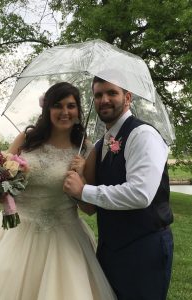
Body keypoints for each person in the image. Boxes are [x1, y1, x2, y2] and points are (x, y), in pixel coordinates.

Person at [0, 82, 117, 300]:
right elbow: (3, 179)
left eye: (71, 106)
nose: (64, 112)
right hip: (17, 231)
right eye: (57, 105)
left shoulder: (86, 150)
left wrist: (80, 180)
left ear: (78, 111)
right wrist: (0, 192)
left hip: (64, 237)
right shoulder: (26, 139)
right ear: (47, 109)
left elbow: (90, 208)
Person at [63, 77, 174, 300]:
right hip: (110, 248)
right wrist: (81, 176)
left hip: (144, 250)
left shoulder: (143, 135)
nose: (104, 100)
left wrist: (83, 191)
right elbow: (91, 206)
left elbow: (140, 194)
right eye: (98, 95)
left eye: (112, 93)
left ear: (128, 98)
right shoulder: (102, 142)